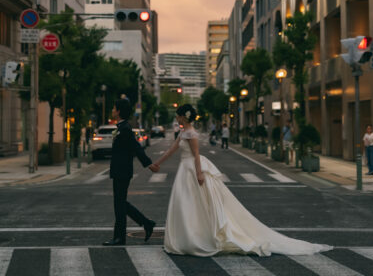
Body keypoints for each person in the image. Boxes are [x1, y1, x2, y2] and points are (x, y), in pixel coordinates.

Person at [154, 103, 332, 257]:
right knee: (185, 204)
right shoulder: (182, 133)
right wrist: (157, 163)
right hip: (183, 171)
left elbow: (196, 155)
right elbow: (171, 150)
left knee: (196, 203)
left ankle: (197, 237)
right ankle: (188, 237)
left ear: (183, 117)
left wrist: (199, 173)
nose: (177, 118)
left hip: (191, 169)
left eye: (178, 115)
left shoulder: (191, 134)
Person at [103, 98, 159, 246]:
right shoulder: (122, 127)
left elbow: (136, 147)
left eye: (115, 108)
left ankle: (120, 237)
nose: (113, 110)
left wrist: (148, 164)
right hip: (120, 170)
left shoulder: (125, 129)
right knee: (120, 203)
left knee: (119, 205)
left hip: (122, 171)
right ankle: (146, 223)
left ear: (119, 111)